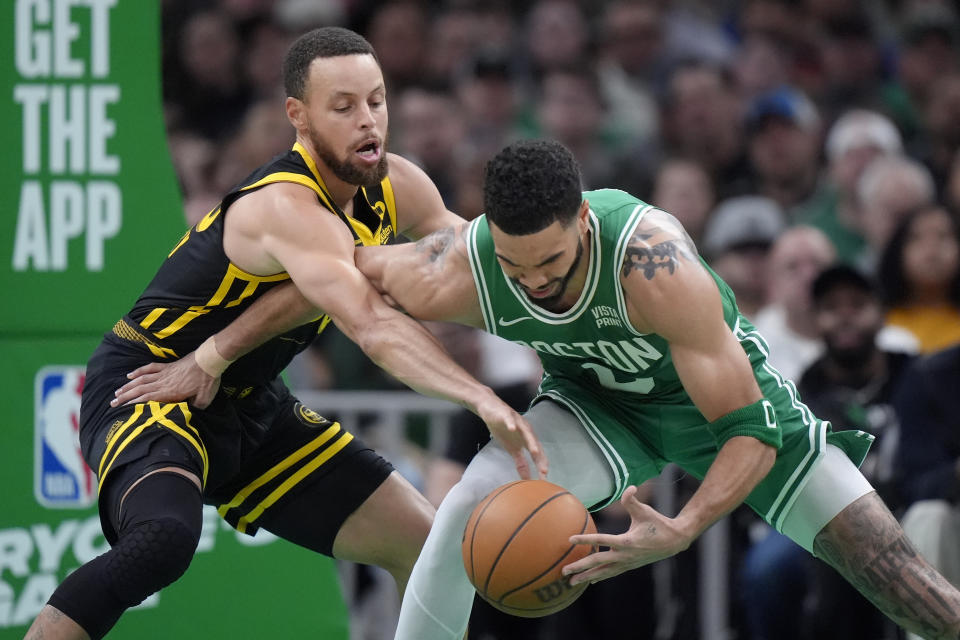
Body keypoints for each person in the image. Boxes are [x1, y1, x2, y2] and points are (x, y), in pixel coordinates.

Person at [116, 140, 960, 640]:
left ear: (584, 226)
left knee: (911, 590)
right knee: (457, 518)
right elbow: (322, 277)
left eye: (554, 265)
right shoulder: (467, 268)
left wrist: (685, 528)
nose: (540, 286)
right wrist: (215, 354)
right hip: (599, 408)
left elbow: (746, 428)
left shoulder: (654, 265)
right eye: (520, 270)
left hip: (732, 420)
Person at [24, 27, 545, 640]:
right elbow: (371, 325)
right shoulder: (285, 206)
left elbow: (473, 264)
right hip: (153, 384)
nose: (368, 121)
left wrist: (575, 301)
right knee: (162, 542)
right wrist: (480, 397)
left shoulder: (397, 185)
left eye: (376, 101)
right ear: (298, 116)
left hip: (249, 399)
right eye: (344, 107)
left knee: (426, 547)